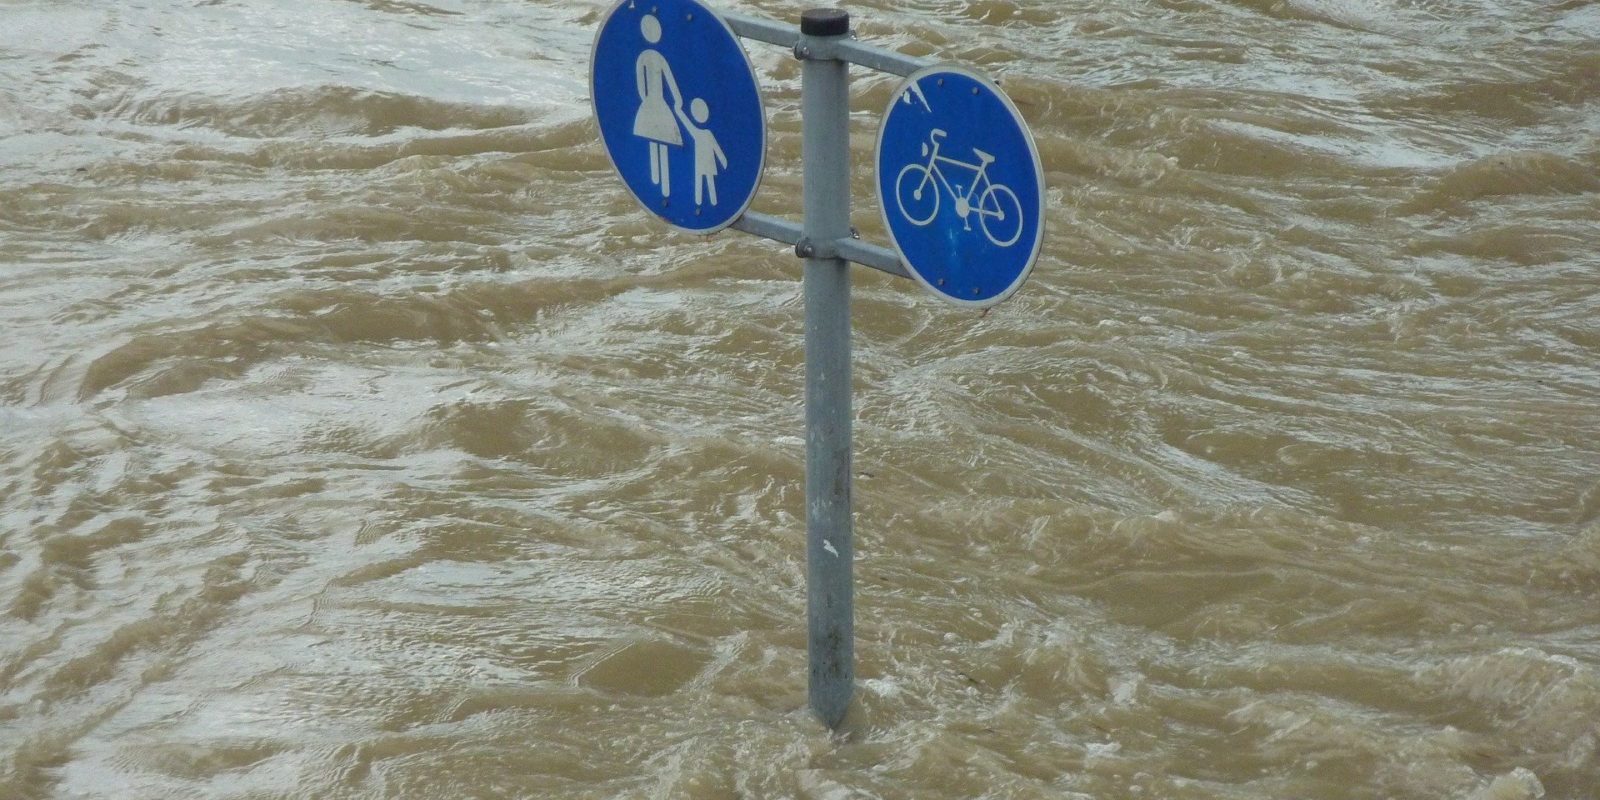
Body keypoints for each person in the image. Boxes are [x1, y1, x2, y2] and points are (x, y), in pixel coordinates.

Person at [632, 14, 683, 198]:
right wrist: (676, 100)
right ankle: (660, 186)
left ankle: (662, 187)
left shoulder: (647, 57)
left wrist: (647, 99)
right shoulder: (648, 57)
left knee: (659, 139)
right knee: (657, 139)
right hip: (655, 103)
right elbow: (666, 81)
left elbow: (666, 79)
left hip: (652, 103)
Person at [678, 98, 728, 207]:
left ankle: (709, 203)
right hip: (702, 162)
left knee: (706, 181)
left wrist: (723, 160)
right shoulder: (701, 133)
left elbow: (716, 147)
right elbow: (687, 124)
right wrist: (679, 112)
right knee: (701, 181)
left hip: (706, 162)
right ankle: (702, 203)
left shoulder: (705, 133)